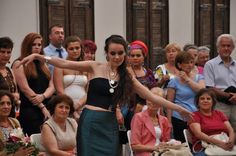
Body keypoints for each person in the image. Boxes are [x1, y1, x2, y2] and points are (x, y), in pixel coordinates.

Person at [17, 34, 192, 156]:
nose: (117, 57)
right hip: (90, 122)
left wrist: (177, 107)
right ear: (107, 53)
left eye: (120, 53)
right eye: (113, 53)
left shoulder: (127, 75)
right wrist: (38, 56)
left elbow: (151, 96)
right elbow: (63, 62)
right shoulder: (96, 66)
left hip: (109, 125)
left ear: (125, 54)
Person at [12, 32, 54, 135]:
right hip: (30, 109)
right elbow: (25, 89)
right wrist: (41, 106)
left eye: (39, 45)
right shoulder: (19, 63)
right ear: (27, 45)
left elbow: (52, 86)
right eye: (33, 44)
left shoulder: (43, 64)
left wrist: (43, 96)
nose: (37, 47)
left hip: (46, 106)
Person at [166, 52, 205, 143]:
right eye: (187, 62)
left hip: (197, 116)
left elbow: (202, 91)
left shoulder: (199, 77)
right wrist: (169, 121)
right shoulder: (173, 82)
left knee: (198, 143)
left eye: (191, 62)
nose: (190, 65)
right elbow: (169, 103)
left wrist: (187, 79)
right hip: (179, 117)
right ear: (179, 64)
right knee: (183, 144)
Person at [204, 34, 236, 132]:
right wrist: (229, 96)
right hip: (220, 105)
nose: (226, 48)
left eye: (229, 46)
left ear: (233, 48)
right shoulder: (210, 65)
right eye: (223, 46)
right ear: (218, 48)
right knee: (221, 133)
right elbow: (209, 88)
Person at [189, 88, 235, 156]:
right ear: (198, 102)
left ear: (213, 102)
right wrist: (220, 143)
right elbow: (198, 134)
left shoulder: (219, 114)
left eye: (208, 99)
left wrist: (231, 142)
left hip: (225, 144)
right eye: (202, 99)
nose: (205, 101)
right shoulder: (194, 115)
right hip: (205, 147)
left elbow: (231, 130)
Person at [53, 36, 88, 119]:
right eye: (71, 49)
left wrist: (79, 104)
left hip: (83, 107)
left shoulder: (86, 66)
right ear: (66, 50)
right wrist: (72, 108)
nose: (75, 51)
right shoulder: (59, 66)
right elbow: (59, 90)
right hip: (65, 107)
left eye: (77, 48)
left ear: (81, 49)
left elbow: (89, 91)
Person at [130, 87, 171, 156]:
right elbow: (135, 146)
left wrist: (165, 144)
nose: (153, 101)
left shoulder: (164, 120)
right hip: (146, 153)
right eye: (150, 98)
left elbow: (166, 142)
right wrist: (154, 148)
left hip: (162, 153)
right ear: (146, 99)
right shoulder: (138, 117)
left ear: (162, 103)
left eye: (157, 100)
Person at [0, 90, 35, 156]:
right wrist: (14, 155)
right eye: (2, 103)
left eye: (8, 103)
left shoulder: (15, 121)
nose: (6, 107)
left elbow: (22, 143)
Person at [0, 37, 20, 117]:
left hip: (10, 113)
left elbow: (16, 93)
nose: (6, 55)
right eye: (2, 52)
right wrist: (12, 96)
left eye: (8, 52)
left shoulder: (10, 70)